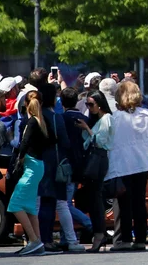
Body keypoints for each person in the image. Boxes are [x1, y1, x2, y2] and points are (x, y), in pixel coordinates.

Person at [107, 80, 148, 251]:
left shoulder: (115, 118)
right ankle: (140, 239)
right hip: (142, 165)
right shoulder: (146, 115)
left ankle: (124, 239)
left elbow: (109, 144)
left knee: (122, 204)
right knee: (139, 202)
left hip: (121, 166)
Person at [7, 91, 50, 256]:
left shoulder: (31, 122)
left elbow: (24, 143)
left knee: (15, 204)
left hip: (31, 167)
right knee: (31, 208)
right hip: (38, 165)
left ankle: (33, 239)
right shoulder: (41, 121)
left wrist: (20, 157)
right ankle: (37, 243)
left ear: (26, 105)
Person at [36, 79, 76, 253]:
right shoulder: (55, 117)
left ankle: (38, 238)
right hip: (54, 163)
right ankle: (48, 239)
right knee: (51, 203)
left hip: (37, 162)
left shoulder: (34, 117)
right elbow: (65, 142)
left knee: (39, 203)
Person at [75, 90, 114, 252]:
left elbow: (100, 141)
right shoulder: (97, 119)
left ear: (100, 103)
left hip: (99, 159)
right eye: (87, 105)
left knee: (96, 198)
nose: (89, 108)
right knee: (93, 198)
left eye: (91, 104)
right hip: (92, 159)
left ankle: (100, 233)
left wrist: (87, 129)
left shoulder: (107, 119)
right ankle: (98, 233)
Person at [58, 88, 93, 250]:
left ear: (62, 102)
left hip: (66, 165)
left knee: (64, 203)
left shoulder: (61, 119)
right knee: (67, 201)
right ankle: (66, 237)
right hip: (82, 164)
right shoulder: (85, 119)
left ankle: (88, 223)